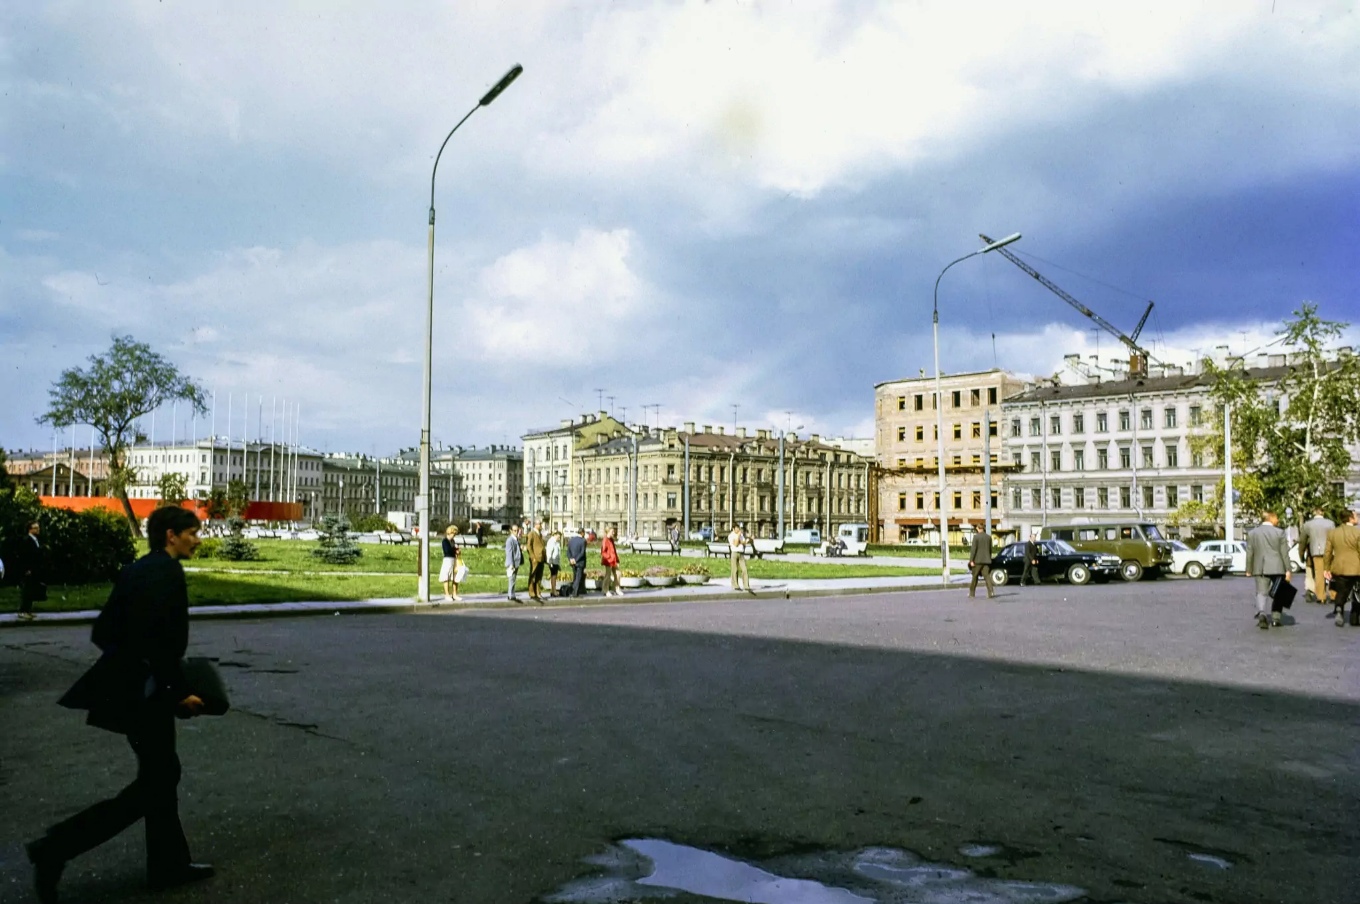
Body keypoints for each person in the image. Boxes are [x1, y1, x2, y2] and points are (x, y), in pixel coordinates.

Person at [25, 506, 214, 902]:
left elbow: (104, 632)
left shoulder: (136, 570)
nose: (198, 540)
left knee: (161, 775)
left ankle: (168, 865)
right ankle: (54, 848)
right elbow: (163, 644)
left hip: (129, 692)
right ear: (171, 536)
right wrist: (177, 691)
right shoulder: (168, 573)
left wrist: (130, 664)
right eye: (192, 533)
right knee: (157, 781)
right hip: (149, 695)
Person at [1245, 510, 1292, 629]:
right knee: (1280, 592)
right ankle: (1276, 619)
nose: (1278, 520)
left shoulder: (1253, 533)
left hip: (1260, 567)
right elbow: (1284, 553)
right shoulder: (1280, 532)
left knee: (1261, 592)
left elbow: (1249, 553)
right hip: (1278, 567)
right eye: (1276, 518)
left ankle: (1262, 613)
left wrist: (1248, 569)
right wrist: (1288, 569)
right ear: (1270, 518)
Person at [1323, 509, 1360, 627]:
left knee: (1341, 590)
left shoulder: (1333, 533)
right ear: (1350, 518)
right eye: (1356, 516)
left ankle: (1339, 607)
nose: (1358, 518)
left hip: (1339, 567)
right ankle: (1355, 617)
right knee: (1357, 592)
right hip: (1356, 568)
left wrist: (1326, 568)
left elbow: (1327, 552)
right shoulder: (1357, 532)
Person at [1298, 507, 1336, 605]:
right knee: (1331, 573)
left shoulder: (1308, 524)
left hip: (1316, 551)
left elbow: (1302, 541)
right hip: (1329, 551)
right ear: (1323, 513)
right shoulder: (1330, 523)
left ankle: (1321, 597)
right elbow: (1334, 538)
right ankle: (1333, 595)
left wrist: (1301, 554)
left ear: (1314, 513)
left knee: (1319, 574)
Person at [17, 520, 45, 620]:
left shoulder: (35, 540)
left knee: (32, 589)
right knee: (27, 590)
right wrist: (27, 569)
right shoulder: (27, 541)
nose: (38, 530)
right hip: (29, 569)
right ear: (30, 530)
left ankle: (28, 610)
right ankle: (23, 611)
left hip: (34, 569)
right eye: (35, 528)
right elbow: (25, 556)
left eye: (38, 528)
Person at [438, 525, 463, 602]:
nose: (454, 536)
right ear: (450, 532)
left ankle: (454, 594)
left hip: (454, 559)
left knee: (455, 577)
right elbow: (447, 551)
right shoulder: (445, 541)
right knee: (446, 577)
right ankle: (447, 594)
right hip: (447, 560)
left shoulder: (453, 541)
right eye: (453, 534)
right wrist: (454, 550)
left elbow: (453, 550)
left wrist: (457, 551)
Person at [968, 529, 995, 599]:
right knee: (987, 576)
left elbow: (973, 549)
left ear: (978, 528)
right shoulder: (989, 537)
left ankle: (972, 593)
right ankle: (991, 592)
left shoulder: (976, 537)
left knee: (975, 576)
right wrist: (989, 558)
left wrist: (971, 560)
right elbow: (990, 549)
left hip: (977, 560)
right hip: (986, 560)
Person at [525, 520, 547, 603]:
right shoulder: (532, 533)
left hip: (541, 558)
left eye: (541, 524)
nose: (541, 525)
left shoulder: (540, 534)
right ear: (535, 525)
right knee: (533, 576)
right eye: (540, 524)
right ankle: (532, 593)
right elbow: (529, 546)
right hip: (535, 558)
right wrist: (532, 557)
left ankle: (538, 592)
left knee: (539, 576)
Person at [728, 523, 752, 592]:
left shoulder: (741, 535)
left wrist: (743, 541)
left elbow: (744, 542)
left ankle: (746, 585)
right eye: (737, 528)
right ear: (733, 529)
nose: (738, 529)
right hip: (734, 553)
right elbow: (735, 544)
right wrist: (738, 537)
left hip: (741, 553)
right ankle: (735, 585)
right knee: (735, 570)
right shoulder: (731, 535)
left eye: (739, 528)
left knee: (744, 569)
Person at [503, 524, 524, 603]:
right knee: (511, 579)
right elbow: (509, 552)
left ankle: (512, 594)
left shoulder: (516, 539)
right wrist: (511, 564)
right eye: (515, 530)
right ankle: (510, 595)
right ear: (511, 531)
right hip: (512, 563)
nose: (516, 532)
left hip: (516, 562)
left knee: (514, 579)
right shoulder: (510, 540)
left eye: (517, 530)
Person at [600, 525, 622, 597]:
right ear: (608, 531)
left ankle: (616, 589)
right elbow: (603, 552)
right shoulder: (605, 540)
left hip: (614, 560)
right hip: (608, 561)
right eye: (612, 531)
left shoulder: (611, 540)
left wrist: (617, 560)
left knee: (618, 574)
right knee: (608, 575)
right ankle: (605, 590)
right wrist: (609, 558)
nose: (613, 532)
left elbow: (614, 551)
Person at [567, 526, 588, 598]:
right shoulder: (583, 541)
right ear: (582, 533)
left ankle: (574, 591)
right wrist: (576, 560)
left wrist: (571, 559)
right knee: (578, 578)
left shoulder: (571, 540)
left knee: (575, 577)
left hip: (572, 562)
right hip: (580, 562)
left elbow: (568, 551)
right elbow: (582, 553)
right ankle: (575, 593)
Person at [546, 529, 563, 596]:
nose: (559, 538)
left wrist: (558, 564)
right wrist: (550, 562)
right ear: (555, 535)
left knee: (554, 576)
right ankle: (554, 591)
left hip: (556, 562)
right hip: (552, 562)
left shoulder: (556, 542)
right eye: (559, 536)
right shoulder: (551, 542)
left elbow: (558, 553)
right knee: (553, 576)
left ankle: (553, 590)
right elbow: (549, 552)